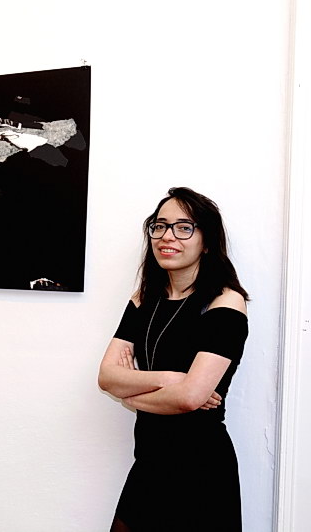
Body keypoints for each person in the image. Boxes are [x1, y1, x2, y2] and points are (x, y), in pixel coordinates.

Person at [98, 187, 249, 532]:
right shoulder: (143, 299)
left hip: (201, 469)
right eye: (160, 226)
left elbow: (190, 398)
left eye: (184, 227)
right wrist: (170, 379)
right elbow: (106, 376)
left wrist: (129, 394)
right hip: (148, 461)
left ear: (206, 241)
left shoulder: (225, 302)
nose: (168, 236)